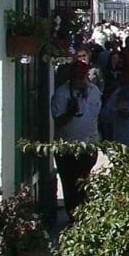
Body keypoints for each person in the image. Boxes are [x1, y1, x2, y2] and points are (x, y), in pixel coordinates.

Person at [50, 54, 102, 217]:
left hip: (88, 143)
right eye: (77, 78)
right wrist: (70, 112)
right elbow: (58, 122)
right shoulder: (62, 93)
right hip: (67, 147)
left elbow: (95, 114)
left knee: (83, 179)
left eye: (82, 77)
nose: (80, 81)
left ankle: (84, 213)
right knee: (69, 182)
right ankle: (72, 214)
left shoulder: (94, 91)